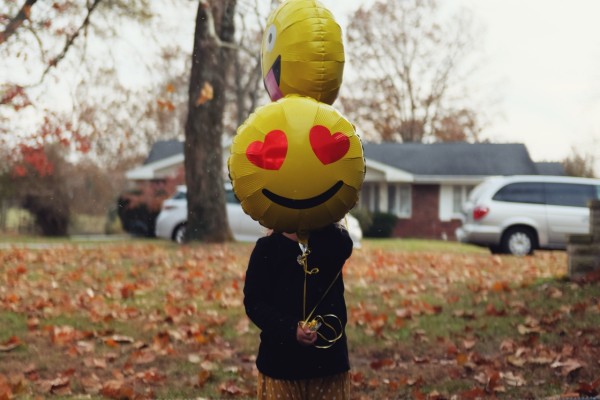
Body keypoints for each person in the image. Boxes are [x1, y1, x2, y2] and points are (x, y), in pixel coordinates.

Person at [244, 222, 354, 400]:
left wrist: (324, 222)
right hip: (280, 365)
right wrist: (289, 328)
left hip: (328, 365)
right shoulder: (267, 249)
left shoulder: (332, 242)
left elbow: (344, 246)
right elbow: (255, 303)